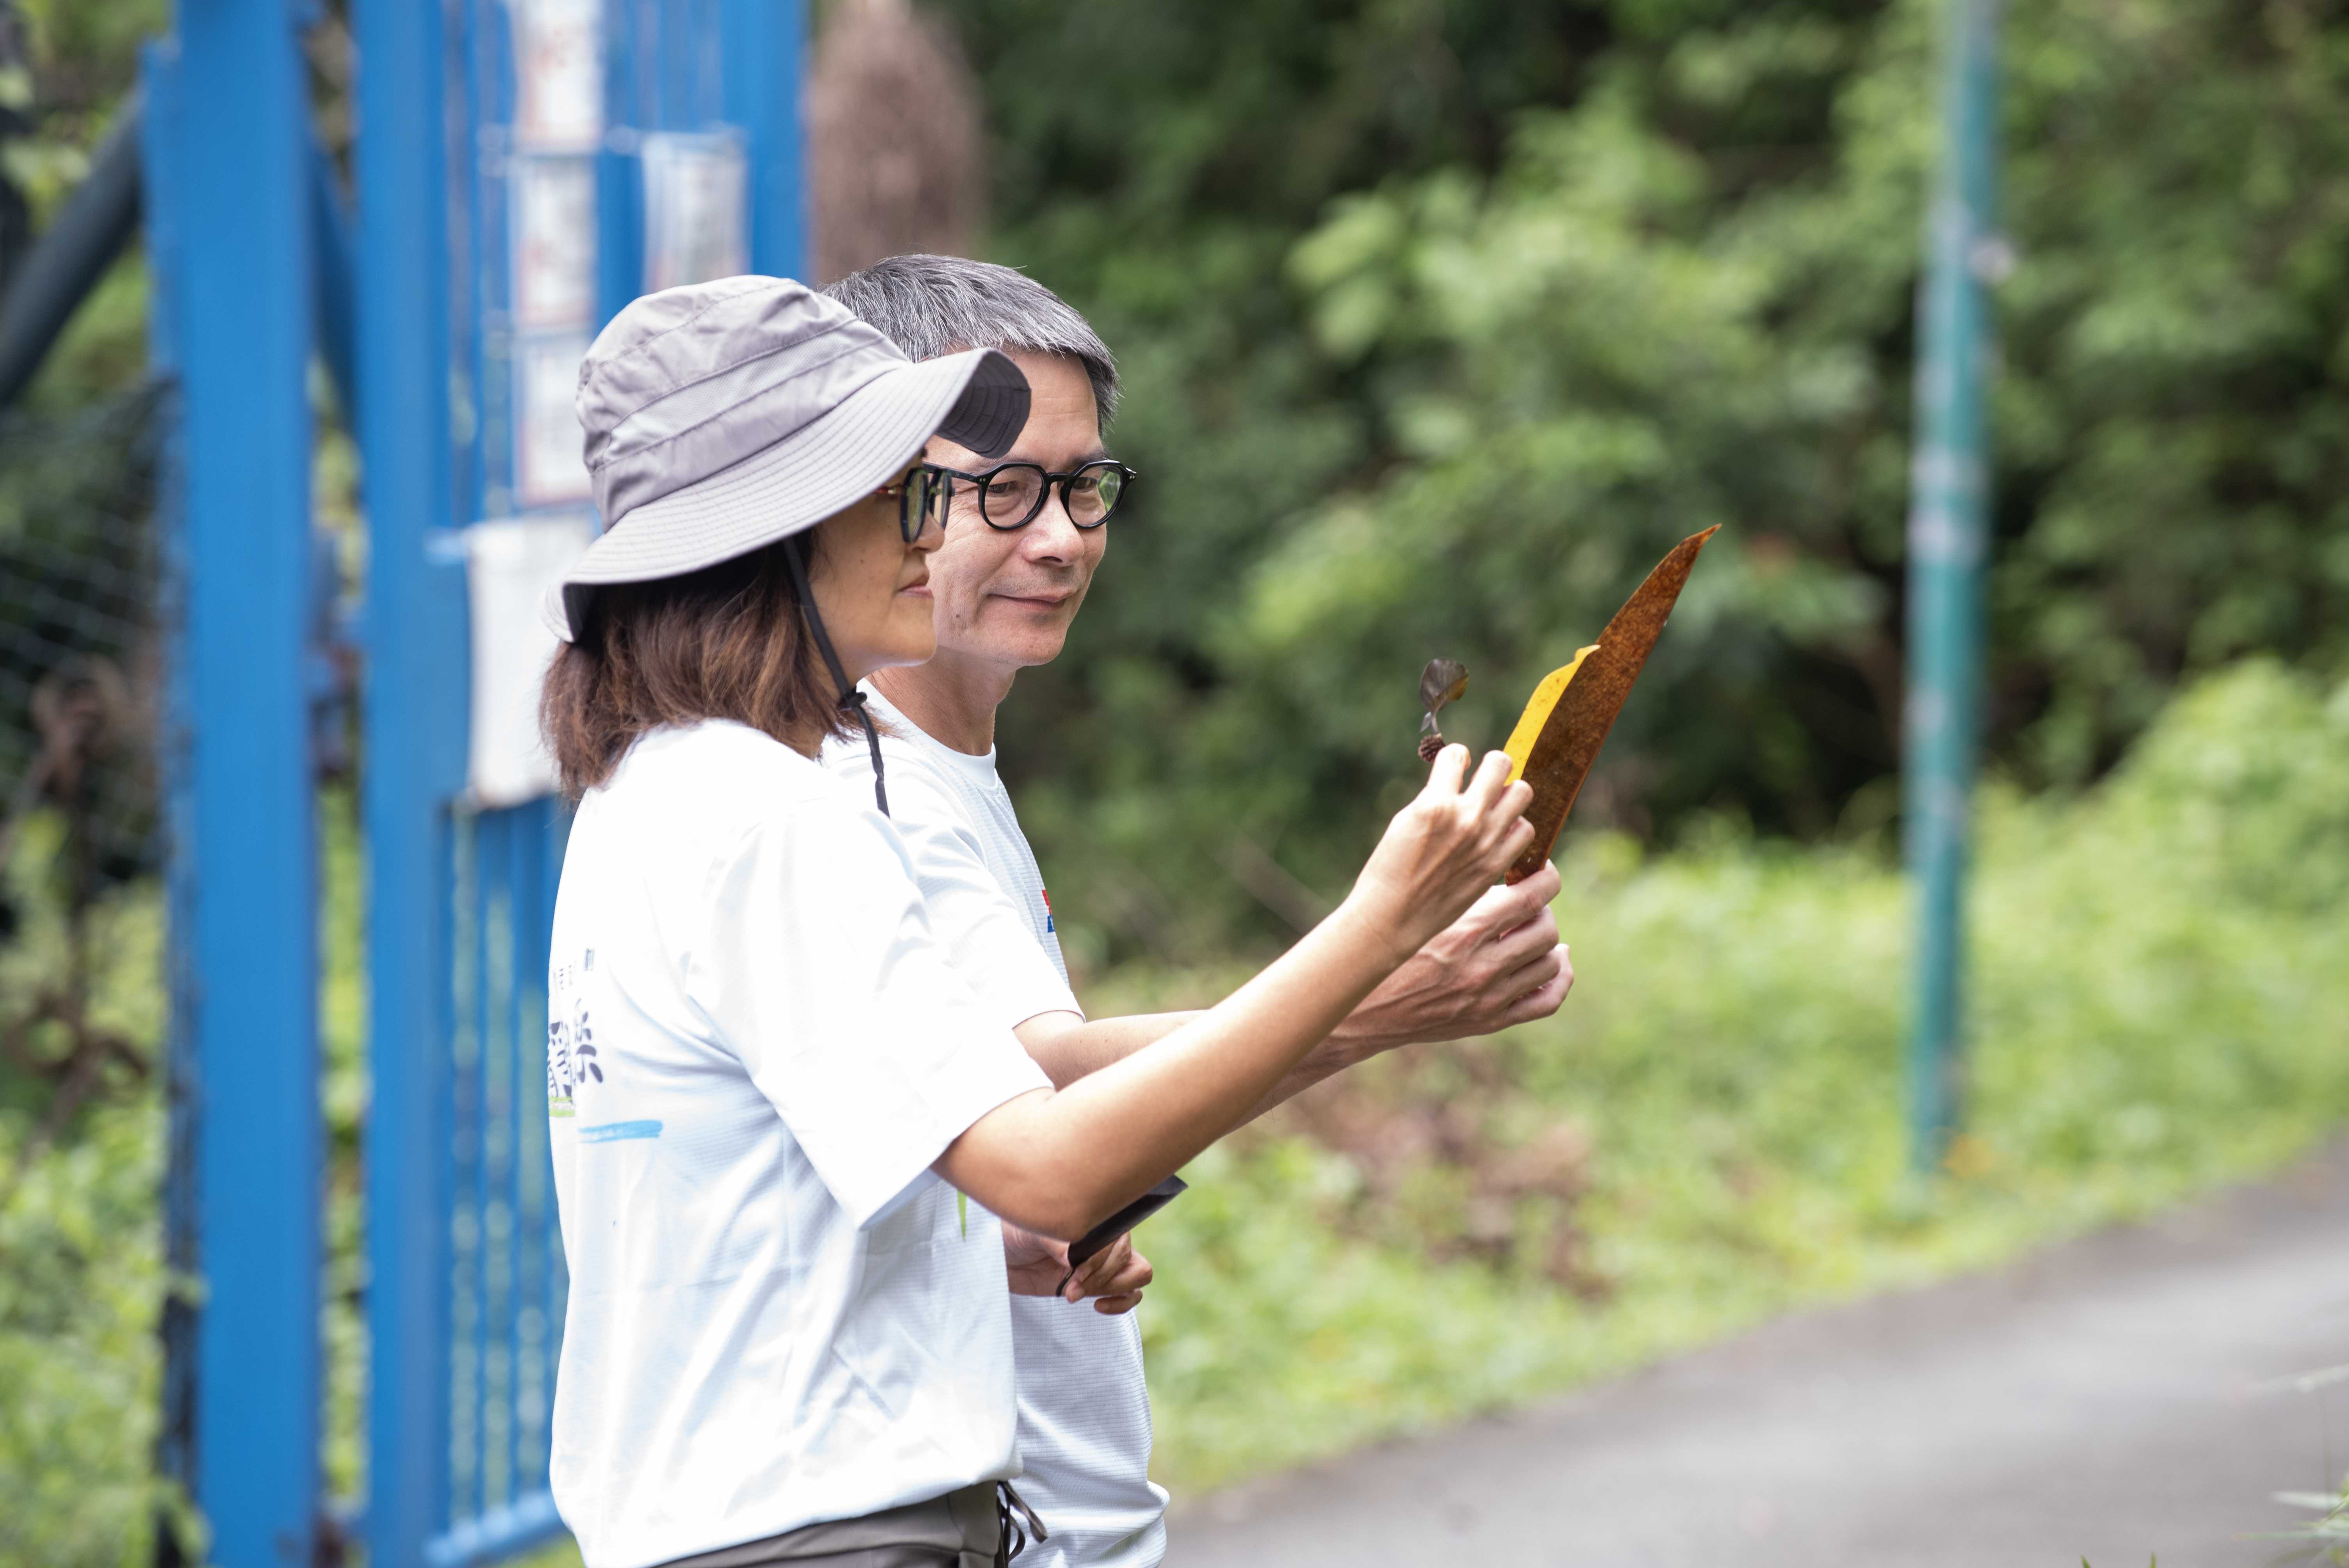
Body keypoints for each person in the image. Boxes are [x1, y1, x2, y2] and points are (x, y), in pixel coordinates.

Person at [537, 274, 1537, 1568]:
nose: (934, 530)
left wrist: (973, 1253)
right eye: (902, 488)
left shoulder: (663, 789)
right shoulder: (766, 816)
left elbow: (789, 1201)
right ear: (770, 528)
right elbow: (1052, 1163)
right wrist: (1379, 931)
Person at [818, 255, 1575, 1568]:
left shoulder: (947, 766)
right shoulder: (857, 778)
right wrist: (1385, 985)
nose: (1057, 536)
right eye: (1003, 488)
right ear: (880, 493)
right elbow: (1042, 1088)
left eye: (1081, 485)